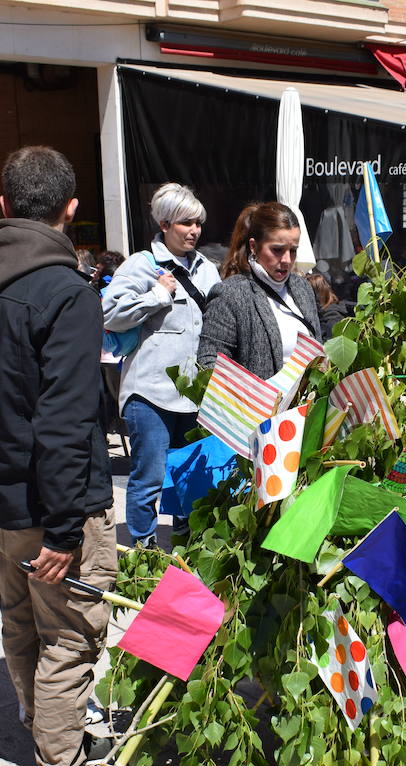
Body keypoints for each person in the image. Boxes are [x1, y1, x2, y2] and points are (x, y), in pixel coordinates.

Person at [0, 146, 126, 766]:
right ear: (71, 210)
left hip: (5, 498)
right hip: (57, 504)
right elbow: (64, 420)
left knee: (25, 623)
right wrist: (63, 527)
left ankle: (51, 735)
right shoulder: (66, 291)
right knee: (70, 636)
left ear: (4, 206)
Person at [103, 183, 221, 550]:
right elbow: (109, 314)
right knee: (149, 479)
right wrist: (157, 295)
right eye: (186, 223)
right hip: (149, 393)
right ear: (165, 224)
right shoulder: (141, 265)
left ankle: (187, 548)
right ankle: (145, 552)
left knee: (191, 478)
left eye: (198, 223)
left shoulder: (207, 269)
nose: (194, 230)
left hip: (194, 395)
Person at [198, 201, 321, 378]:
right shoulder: (230, 294)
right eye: (277, 250)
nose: (287, 260)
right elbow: (209, 364)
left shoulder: (302, 287)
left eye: (293, 250)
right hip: (257, 396)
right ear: (254, 246)